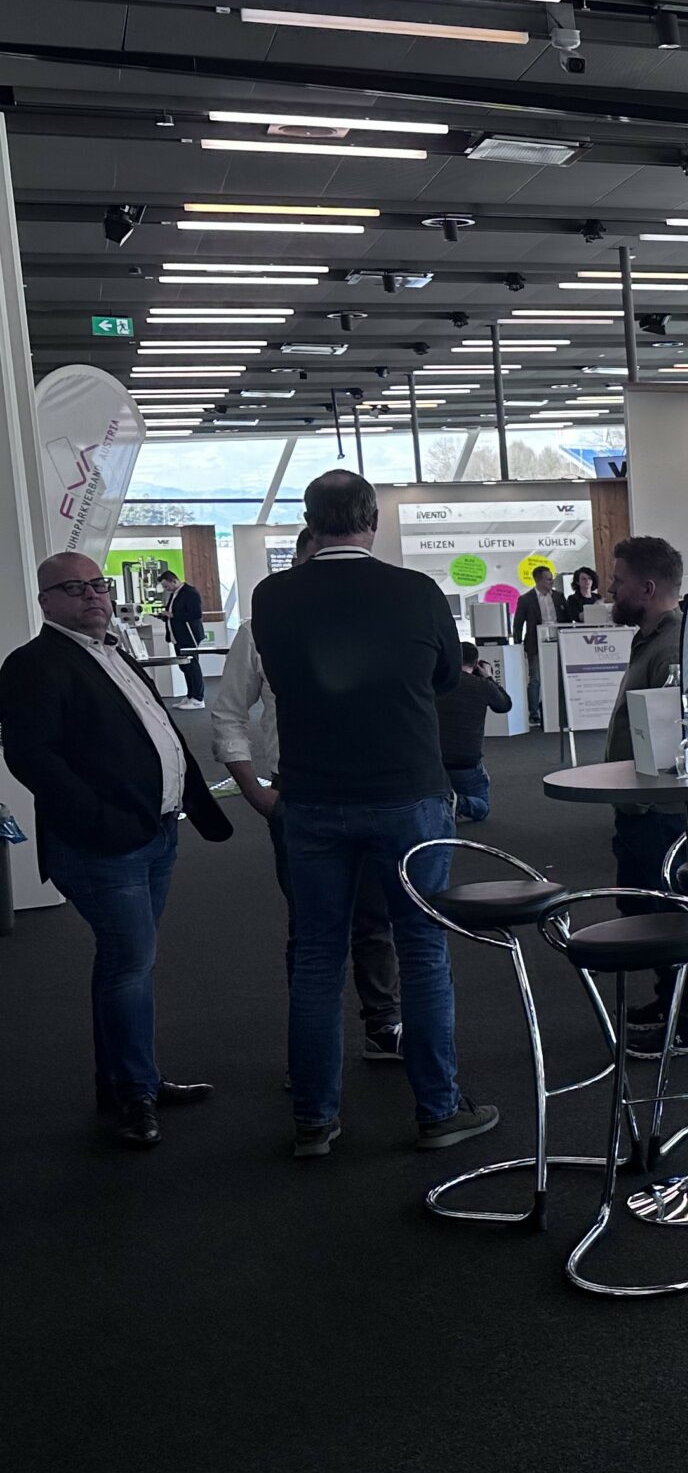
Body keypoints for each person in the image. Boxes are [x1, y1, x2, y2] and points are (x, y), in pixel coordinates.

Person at [251, 470, 497, 1160]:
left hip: (311, 795)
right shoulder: (416, 592)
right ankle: (437, 1111)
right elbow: (445, 677)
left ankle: (314, 1120)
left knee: (317, 957)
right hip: (407, 793)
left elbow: (280, 676)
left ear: (310, 522)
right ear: (373, 521)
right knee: (422, 951)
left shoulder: (273, 596)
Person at [1, 551, 233, 1145]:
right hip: (104, 846)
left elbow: (156, 731)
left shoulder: (112, 652)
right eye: (73, 588)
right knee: (130, 962)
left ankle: (128, 1081)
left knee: (127, 962)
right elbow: (31, 757)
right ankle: (134, 1093)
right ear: (45, 602)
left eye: (98, 585)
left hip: (156, 833)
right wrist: (100, 821)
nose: (92, 595)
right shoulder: (32, 665)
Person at [212, 524, 405, 1066]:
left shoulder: (377, 621)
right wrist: (255, 792)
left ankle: (382, 1025)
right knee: (312, 931)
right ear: (298, 563)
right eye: (317, 559)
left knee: (375, 920)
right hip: (297, 799)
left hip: (376, 795)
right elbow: (228, 714)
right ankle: (312, 1057)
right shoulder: (260, 629)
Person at [601, 534, 688, 1036]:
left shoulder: (672, 646)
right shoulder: (652, 639)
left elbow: (669, 740)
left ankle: (686, 1021)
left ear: (648, 588)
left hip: (658, 811)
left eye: (619, 581)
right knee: (647, 908)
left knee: (666, 914)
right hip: (642, 806)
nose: (611, 590)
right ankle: (670, 1003)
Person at [438, 642, 513, 823]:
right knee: (482, 808)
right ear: (476, 663)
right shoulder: (482, 685)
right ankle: (457, 803)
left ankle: (441, 801)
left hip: (435, 758)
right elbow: (504, 705)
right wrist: (489, 677)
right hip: (466, 760)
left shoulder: (436, 684)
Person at [512, 564, 566, 728]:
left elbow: (566, 618)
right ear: (539, 580)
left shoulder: (559, 597)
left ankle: (561, 709)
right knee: (535, 679)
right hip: (535, 644)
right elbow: (518, 624)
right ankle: (534, 712)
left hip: (560, 641)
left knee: (561, 676)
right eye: (548, 579)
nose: (551, 582)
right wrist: (518, 645)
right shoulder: (525, 599)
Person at [161, 565, 207, 707]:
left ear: (174, 580)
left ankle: (198, 698)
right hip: (177, 636)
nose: (166, 589)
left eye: (166, 586)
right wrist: (164, 616)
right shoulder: (175, 594)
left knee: (192, 666)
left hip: (189, 635)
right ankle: (190, 695)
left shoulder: (190, 592)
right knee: (185, 667)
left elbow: (196, 614)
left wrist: (173, 615)